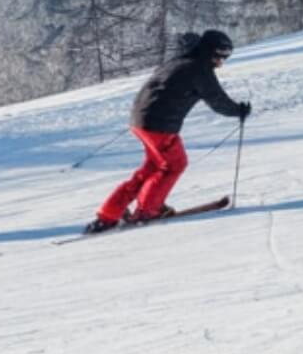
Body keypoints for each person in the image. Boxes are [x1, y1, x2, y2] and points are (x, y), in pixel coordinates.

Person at [86, 29, 251, 234]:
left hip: (140, 121)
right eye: (221, 55)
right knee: (174, 164)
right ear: (210, 51)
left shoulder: (177, 62)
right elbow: (217, 100)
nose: (221, 61)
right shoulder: (199, 68)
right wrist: (239, 110)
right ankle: (147, 210)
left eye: (226, 56)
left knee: (151, 168)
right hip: (160, 125)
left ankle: (108, 214)